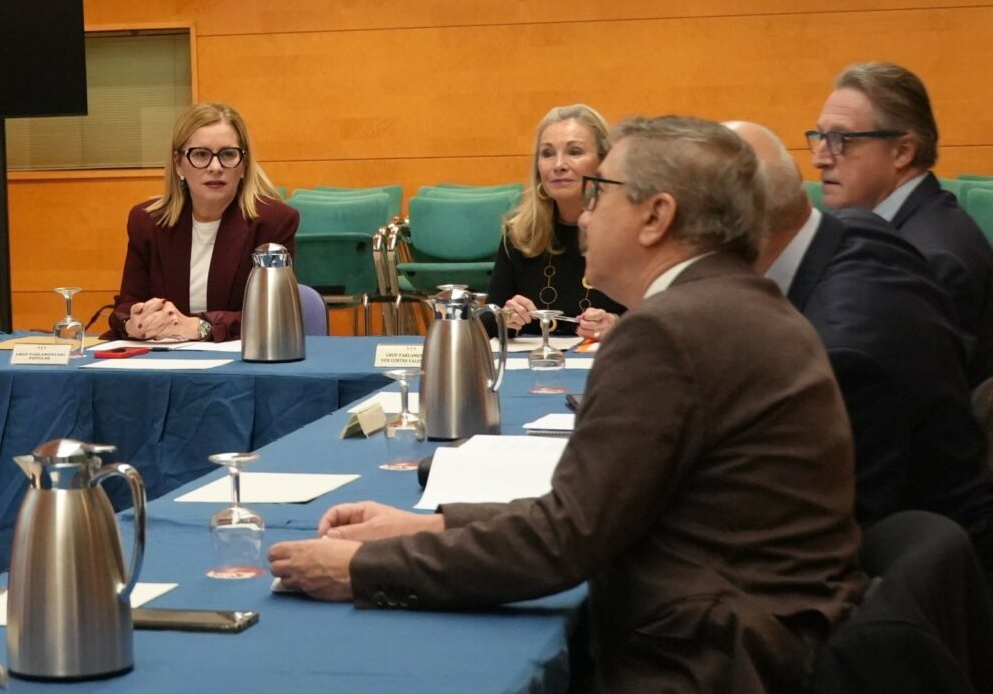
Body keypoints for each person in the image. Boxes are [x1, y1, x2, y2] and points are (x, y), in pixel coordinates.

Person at [269, 116, 867, 693]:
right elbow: (599, 505)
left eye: (601, 192)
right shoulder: (738, 303)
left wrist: (360, 571)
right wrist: (428, 524)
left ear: (656, 216)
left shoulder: (669, 332)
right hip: (767, 635)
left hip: (708, 657)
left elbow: (563, 541)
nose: (585, 213)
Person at [730, 119, 993, 570]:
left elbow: (812, 539)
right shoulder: (857, 228)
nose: (820, 157)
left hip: (915, 579)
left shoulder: (842, 356)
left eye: (842, 139)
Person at [808, 62, 993, 385]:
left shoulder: (932, 260)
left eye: (841, 139)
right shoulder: (871, 228)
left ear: (902, 151)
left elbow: (922, 394)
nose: (819, 158)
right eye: (821, 137)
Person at [107, 102, 298, 342]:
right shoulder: (147, 221)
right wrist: (134, 323)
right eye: (200, 154)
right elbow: (127, 305)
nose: (215, 167)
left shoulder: (274, 221)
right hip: (163, 356)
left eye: (228, 154)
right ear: (178, 163)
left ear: (244, 163)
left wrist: (199, 327)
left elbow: (274, 315)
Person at [486, 104, 625, 339]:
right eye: (548, 154)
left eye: (574, 152)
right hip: (531, 361)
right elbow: (489, 321)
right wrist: (507, 318)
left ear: (604, 162)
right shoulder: (521, 233)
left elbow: (662, 321)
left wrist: (617, 326)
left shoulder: (633, 234)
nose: (558, 165)